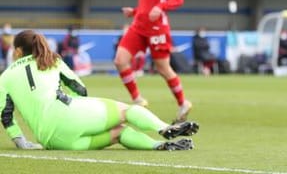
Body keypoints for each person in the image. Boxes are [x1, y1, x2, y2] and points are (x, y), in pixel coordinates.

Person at [0, 30, 199, 150]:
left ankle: (159, 145)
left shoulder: (5, 76)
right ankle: (163, 128)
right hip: (71, 114)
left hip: (53, 140)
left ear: (18, 51)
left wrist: (20, 141)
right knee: (126, 113)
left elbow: (6, 115)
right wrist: (81, 110)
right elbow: (80, 89)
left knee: (117, 135)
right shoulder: (52, 60)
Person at [114, 0, 192, 123]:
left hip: (157, 29)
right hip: (139, 25)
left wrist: (161, 7)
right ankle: (138, 100)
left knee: (163, 68)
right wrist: (134, 11)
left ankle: (183, 102)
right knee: (120, 60)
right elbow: (147, 3)